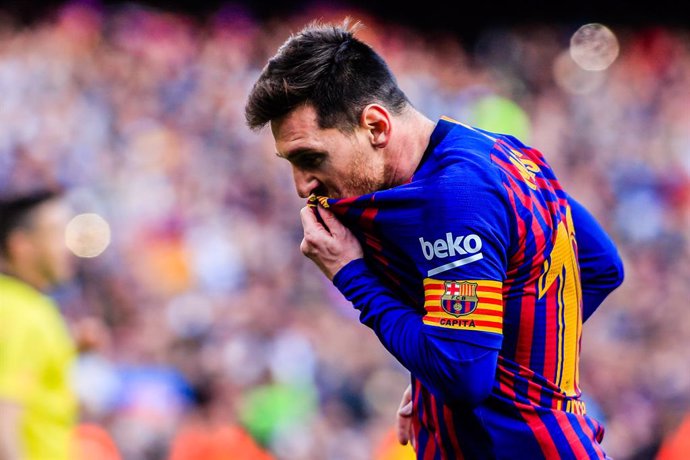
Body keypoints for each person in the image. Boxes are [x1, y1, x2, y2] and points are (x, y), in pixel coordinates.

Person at [244, 18, 625, 459]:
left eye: (311, 157)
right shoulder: (498, 150)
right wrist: (438, 375)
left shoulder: (454, 198)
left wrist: (352, 276)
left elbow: (463, 379)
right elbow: (599, 265)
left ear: (376, 126)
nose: (302, 185)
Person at [0, 188, 79, 460]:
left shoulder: (17, 305)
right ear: (21, 245)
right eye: (56, 234)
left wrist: (74, 349)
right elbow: (3, 425)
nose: (67, 247)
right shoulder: (23, 314)